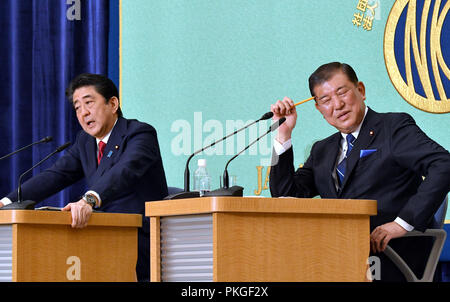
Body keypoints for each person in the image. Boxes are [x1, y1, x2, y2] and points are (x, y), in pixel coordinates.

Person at [269, 62, 450, 281]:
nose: (337, 104)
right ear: (318, 108)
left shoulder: (393, 128)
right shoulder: (322, 150)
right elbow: (286, 195)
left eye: (342, 92)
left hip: (391, 256)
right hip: (336, 257)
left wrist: (402, 223)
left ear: (361, 90)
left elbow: (443, 164)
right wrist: (283, 135)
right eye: (325, 100)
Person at [0, 73, 168, 281]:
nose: (83, 113)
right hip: (98, 237)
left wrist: (89, 200)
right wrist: (6, 202)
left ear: (113, 103)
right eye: (77, 107)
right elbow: (56, 175)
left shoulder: (140, 134)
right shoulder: (86, 142)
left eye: (89, 102)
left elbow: (124, 171)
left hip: (140, 241)